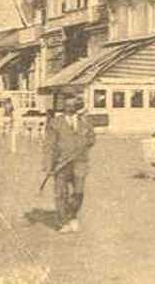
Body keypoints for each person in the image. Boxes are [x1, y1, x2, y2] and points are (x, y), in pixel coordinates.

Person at [43, 96, 95, 233]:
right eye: (67, 105)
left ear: (77, 106)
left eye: (73, 105)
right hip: (61, 163)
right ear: (63, 106)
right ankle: (63, 222)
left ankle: (72, 215)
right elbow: (49, 145)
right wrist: (48, 165)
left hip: (80, 162)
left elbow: (91, 139)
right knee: (61, 193)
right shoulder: (55, 122)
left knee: (79, 193)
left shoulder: (84, 122)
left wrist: (85, 138)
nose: (70, 107)